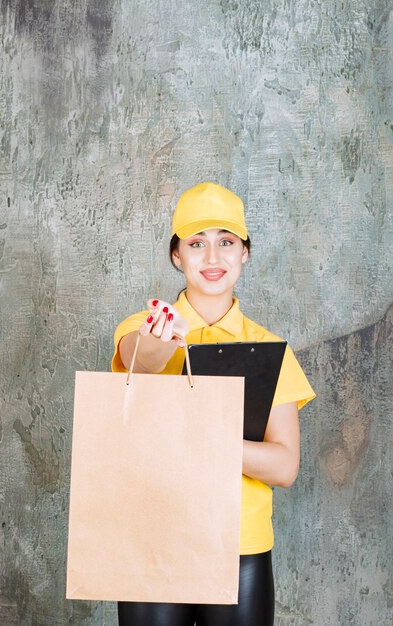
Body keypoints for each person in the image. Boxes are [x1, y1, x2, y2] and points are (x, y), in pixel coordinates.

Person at [111, 182, 316, 626]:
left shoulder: (270, 349)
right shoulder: (145, 327)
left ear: (244, 252)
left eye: (226, 242)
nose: (212, 257)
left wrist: (211, 441)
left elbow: (284, 466)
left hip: (239, 548)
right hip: (154, 538)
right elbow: (138, 359)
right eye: (196, 243)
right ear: (176, 255)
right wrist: (158, 340)